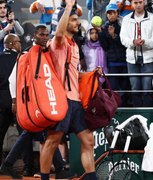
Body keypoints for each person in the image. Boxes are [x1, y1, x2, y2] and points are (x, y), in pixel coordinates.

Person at [0, 25, 75, 179]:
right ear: (34, 35)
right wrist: (15, 101)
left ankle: (8, 164)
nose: (45, 37)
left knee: (42, 134)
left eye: (47, 34)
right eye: (42, 34)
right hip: (32, 103)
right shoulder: (26, 54)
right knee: (45, 133)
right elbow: (12, 79)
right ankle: (59, 168)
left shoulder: (48, 53)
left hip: (45, 100)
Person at [39, 0, 100, 179]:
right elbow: (58, 33)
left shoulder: (74, 45)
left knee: (88, 141)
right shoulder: (58, 43)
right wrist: (67, 7)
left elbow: (74, 75)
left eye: (77, 20)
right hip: (61, 101)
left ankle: (91, 177)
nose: (78, 23)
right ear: (65, 22)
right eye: (73, 20)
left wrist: (91, 74)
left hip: (75, 102)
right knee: (52, 141)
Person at [120, 0, 153, 107]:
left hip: (149, 59)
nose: (138, 5)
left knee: (148, 90)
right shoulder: (126, 19)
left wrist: (144, 43)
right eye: (135, 2)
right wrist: (133, 42)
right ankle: (137, 116)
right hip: (132, 60)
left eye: (140, 2)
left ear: (144, 3)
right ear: (132, 4)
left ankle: (147, 116)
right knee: (135, 89)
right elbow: (123, 39)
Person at [99, 3, 131, 106]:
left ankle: (125, 108)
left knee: (126, 89)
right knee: (113, 88)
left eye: (113, 13)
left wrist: (114, 36)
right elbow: (105, 47)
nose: (111, 15)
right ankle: (115, 109)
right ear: (106, 15)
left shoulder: (123, 26)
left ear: (118, 13)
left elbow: (125, 44)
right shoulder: (104, 28)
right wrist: (102, 34)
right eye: (109, 13)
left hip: (124, 62)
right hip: (112, 63)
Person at [0, 34, 20, 176]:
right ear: (12, 44)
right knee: (25, 135)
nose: (20, 45)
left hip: (1, 103)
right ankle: (29, 167)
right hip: (18, 103)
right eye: (18, 42)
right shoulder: (20, 59)